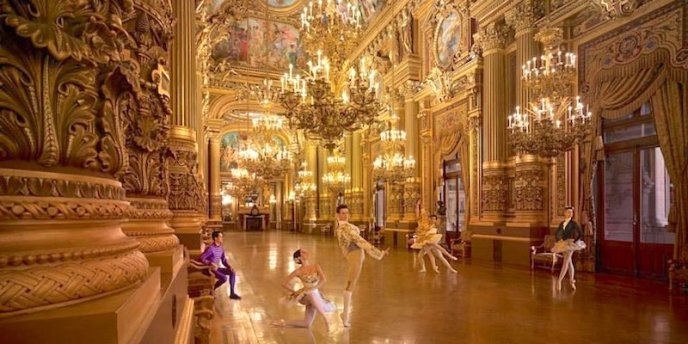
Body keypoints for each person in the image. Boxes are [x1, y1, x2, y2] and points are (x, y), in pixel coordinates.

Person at [335, 204, 389, 327]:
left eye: (347, 212)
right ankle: (345, 316)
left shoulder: (344, 227)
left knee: (351, 285)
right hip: (355, 256)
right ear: (338, 215)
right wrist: (378, 253)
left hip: (357, 255)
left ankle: (345, 315)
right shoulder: (344, 228)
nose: (345, 215)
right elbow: (360, 241)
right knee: (350, 285)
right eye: (343, 213)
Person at [273, 249, 335, 329]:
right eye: (303, 252)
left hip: (315, 294)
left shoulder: (316, 266)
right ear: (299, 258)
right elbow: (284, 283)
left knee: (307, 324)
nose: (306, 252)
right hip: (304, 296)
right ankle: (325, 317)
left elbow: (324, 280)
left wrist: (313, 288)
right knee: (310, 293)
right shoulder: (298, 271)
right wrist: (295, 292)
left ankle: (283, 323)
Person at [412, 204, 457, 273]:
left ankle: (450, 265)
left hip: (429, 240)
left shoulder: (430, 223)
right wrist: (417, 206)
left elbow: (435, 220)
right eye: (423, 214)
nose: (424, 215)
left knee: (439, 254)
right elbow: (417, 215)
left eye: (425, 214)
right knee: (421, 256)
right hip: (424, 241)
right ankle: (427, 268)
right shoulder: (421, 222)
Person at [198, 231, 241, 300]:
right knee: (224, 278)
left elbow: (223, 261)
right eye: (220, 237)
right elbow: (201, 258)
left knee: (232, 272)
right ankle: (212, 290)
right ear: (215, 238)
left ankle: (232, 293)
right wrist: (210, 263)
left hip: (216, 268)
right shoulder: (210, 248)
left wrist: (229, 266)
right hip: (209, 269)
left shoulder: (220, 248)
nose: (222, 238)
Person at [552, 206, 586, 291]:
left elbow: (581, 233)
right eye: (569, 212)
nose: (571, 213)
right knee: (569, 262)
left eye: (571, 212)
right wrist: (559, 239)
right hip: (563, 243)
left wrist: (575, 241)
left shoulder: (574, 223)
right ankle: (571, 281)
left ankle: (559, 280)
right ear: (565, 213)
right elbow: (557, 233)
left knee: (566, 261)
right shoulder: (562, 223)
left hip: (570, 243)